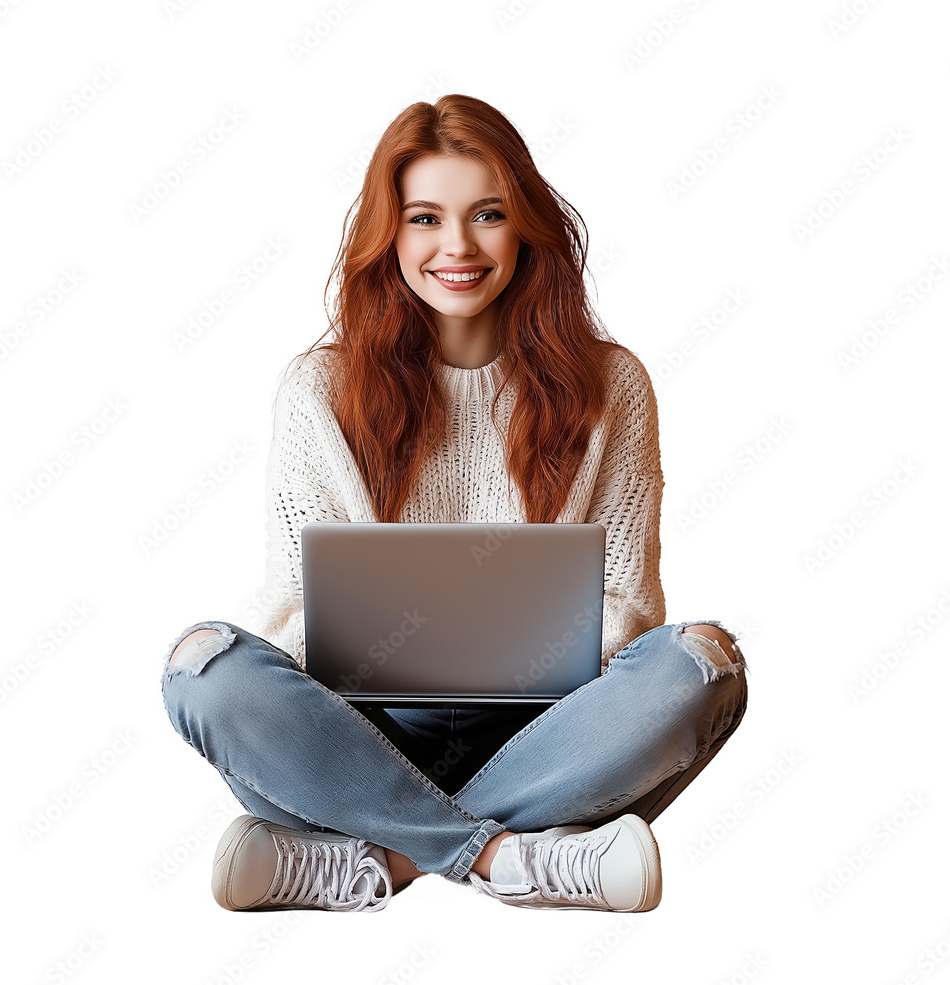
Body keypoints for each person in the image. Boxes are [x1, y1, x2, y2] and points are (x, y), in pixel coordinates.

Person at [160, 93, 749, 914]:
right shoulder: (318, 389)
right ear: (390, 236)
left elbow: (629, 608)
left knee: (704, 662)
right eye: (425, 218)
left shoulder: (613, 384)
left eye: (488, 214)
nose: (458, 246)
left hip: (553, 731)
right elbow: (294, 609)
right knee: (204, 665)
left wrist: (500, 638)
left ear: (526, 228)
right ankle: (515, 857)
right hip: (365, 730)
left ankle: (379, 861)